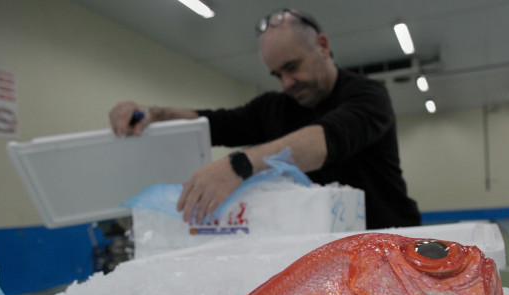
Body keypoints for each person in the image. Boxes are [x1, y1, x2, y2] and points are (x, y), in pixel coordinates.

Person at [109, 8, 420, 230]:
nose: (286, 83)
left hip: (390, 237)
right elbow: (213, 123)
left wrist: (240, 165)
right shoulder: (272, 107)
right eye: (277, 74)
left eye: (292, 66)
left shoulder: (368, 94)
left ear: (322, 46)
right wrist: (152, 114)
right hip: (325, 245)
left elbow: (327, 139)